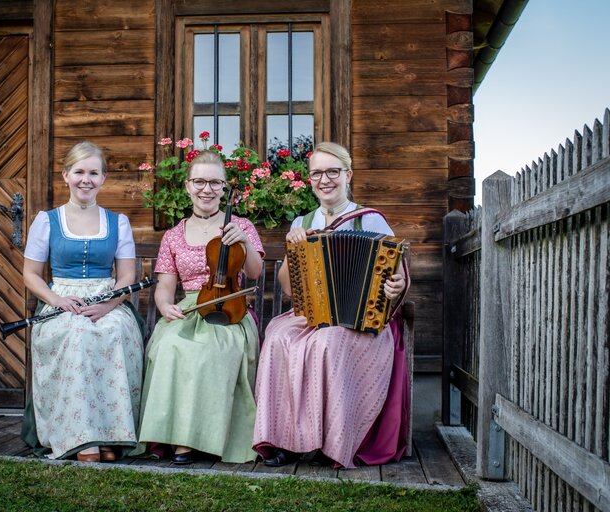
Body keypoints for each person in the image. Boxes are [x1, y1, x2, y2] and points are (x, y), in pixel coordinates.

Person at [252, 141, 410, 469]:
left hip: (361, 321)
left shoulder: (371, 220)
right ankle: (286, 442)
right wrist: (292, 252)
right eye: (317, 174)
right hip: (312, 314)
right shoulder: (302, 222)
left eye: (333, 172)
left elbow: (398, 277)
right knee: (278, 335)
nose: (325, 180)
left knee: (328, 341)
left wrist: (396, 286)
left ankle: (331, 441)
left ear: (348, 175)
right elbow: (288, 288)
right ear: (309, 180)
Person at [134, 150, 265, 465]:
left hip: (229, 306)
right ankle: (176, 437)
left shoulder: (241, 225)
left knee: (211, 351)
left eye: (215, 183)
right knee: (168, 346)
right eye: (200, 182)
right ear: (188, 186)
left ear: (223, 188)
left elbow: (256, 272)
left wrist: (243, 244)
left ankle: (199, 441)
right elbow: (165, 289)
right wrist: (166, 307)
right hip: (189, 307)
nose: (207, 189)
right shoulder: (173, 236)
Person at [20, 141, 144, 463]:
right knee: (75, 335)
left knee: (115, 332)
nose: (85, 179)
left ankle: (111, 435)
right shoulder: (47, 221)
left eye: (93, 172)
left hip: (109, 299)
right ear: (65, 175)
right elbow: (31, 275)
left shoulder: (118, 222)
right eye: (79, 172)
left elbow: (127, 277)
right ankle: (81, 440)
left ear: (103, 179)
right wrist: (58, 300)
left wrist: (108, 305)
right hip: (62, 299)